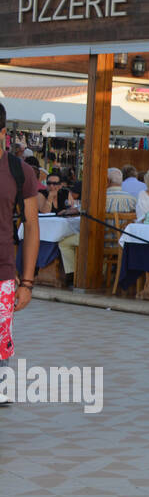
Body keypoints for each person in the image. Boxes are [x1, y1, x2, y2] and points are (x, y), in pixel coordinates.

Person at [1, 103, 41, 404]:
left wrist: (27, 282)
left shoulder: (19, 170)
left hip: (2, 274)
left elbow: (31, 226)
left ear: (3, 134)